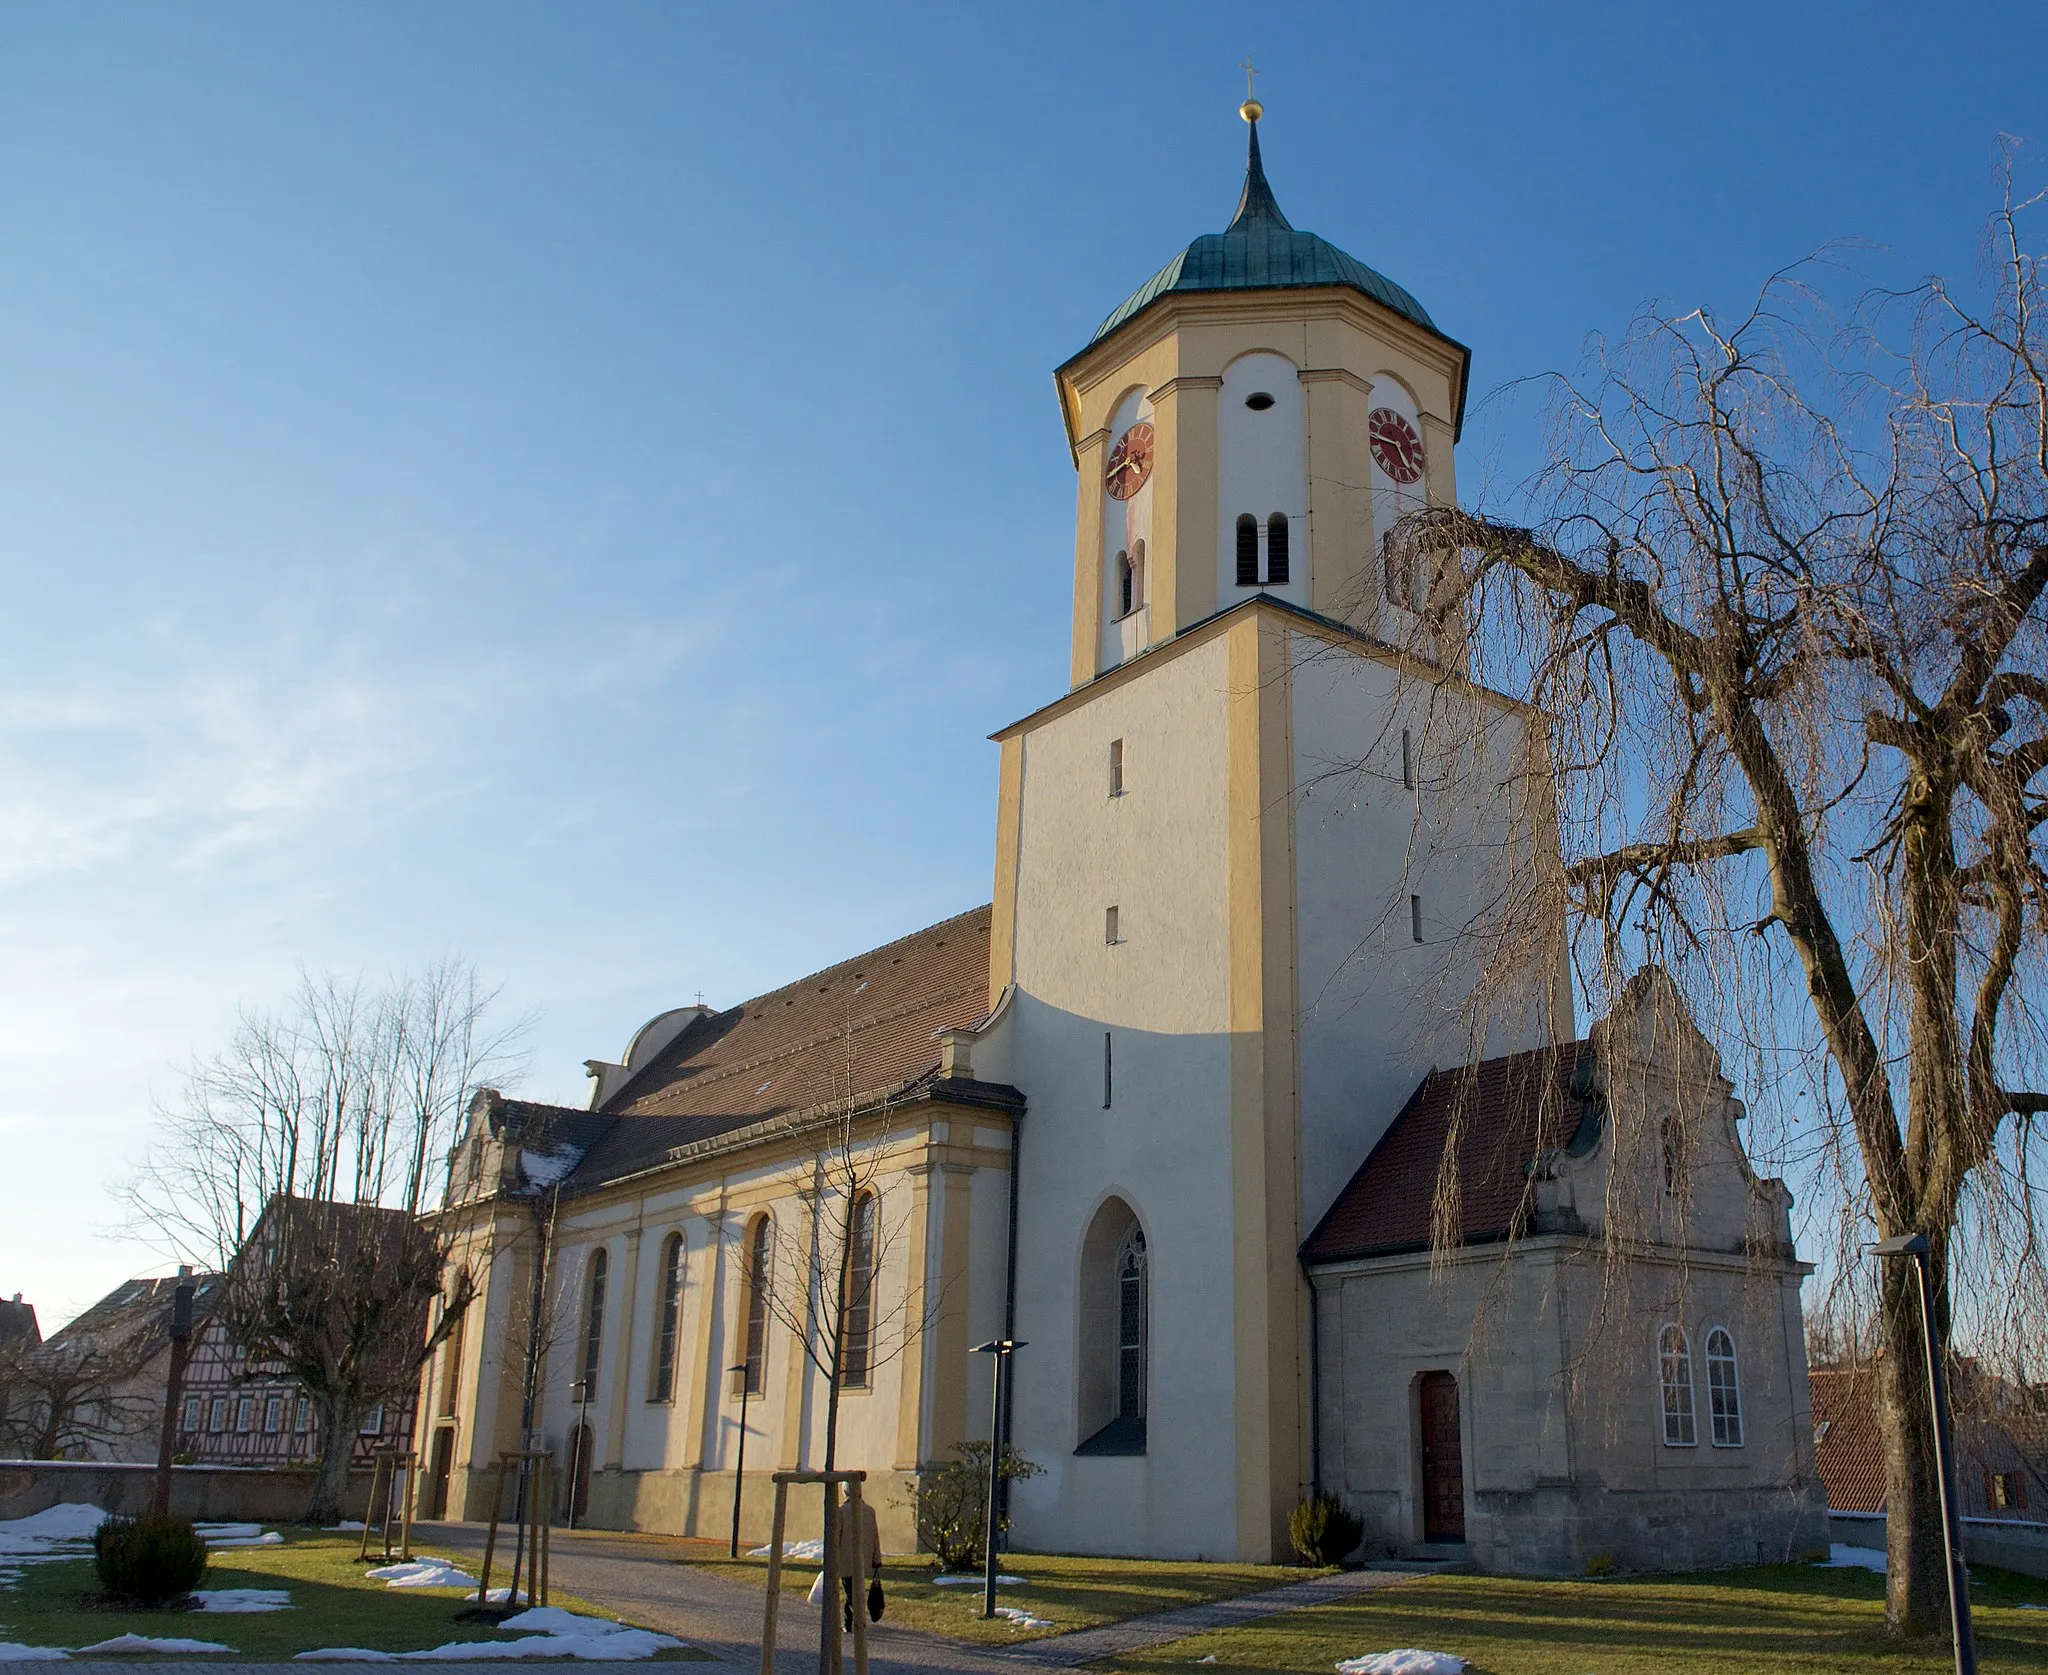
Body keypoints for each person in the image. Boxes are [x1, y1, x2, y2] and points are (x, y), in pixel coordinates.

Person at [833, 1491, 883, 1631]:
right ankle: (849, 1621)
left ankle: (855, 1621)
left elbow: (836, 1537)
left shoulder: (841, 1511)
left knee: (850, 1592)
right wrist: (876, 1559)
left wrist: (832, 1558)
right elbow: (875, 1537)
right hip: (864, 1560)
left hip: (845, 1560)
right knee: (855, 1590)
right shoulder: (869, 1511)